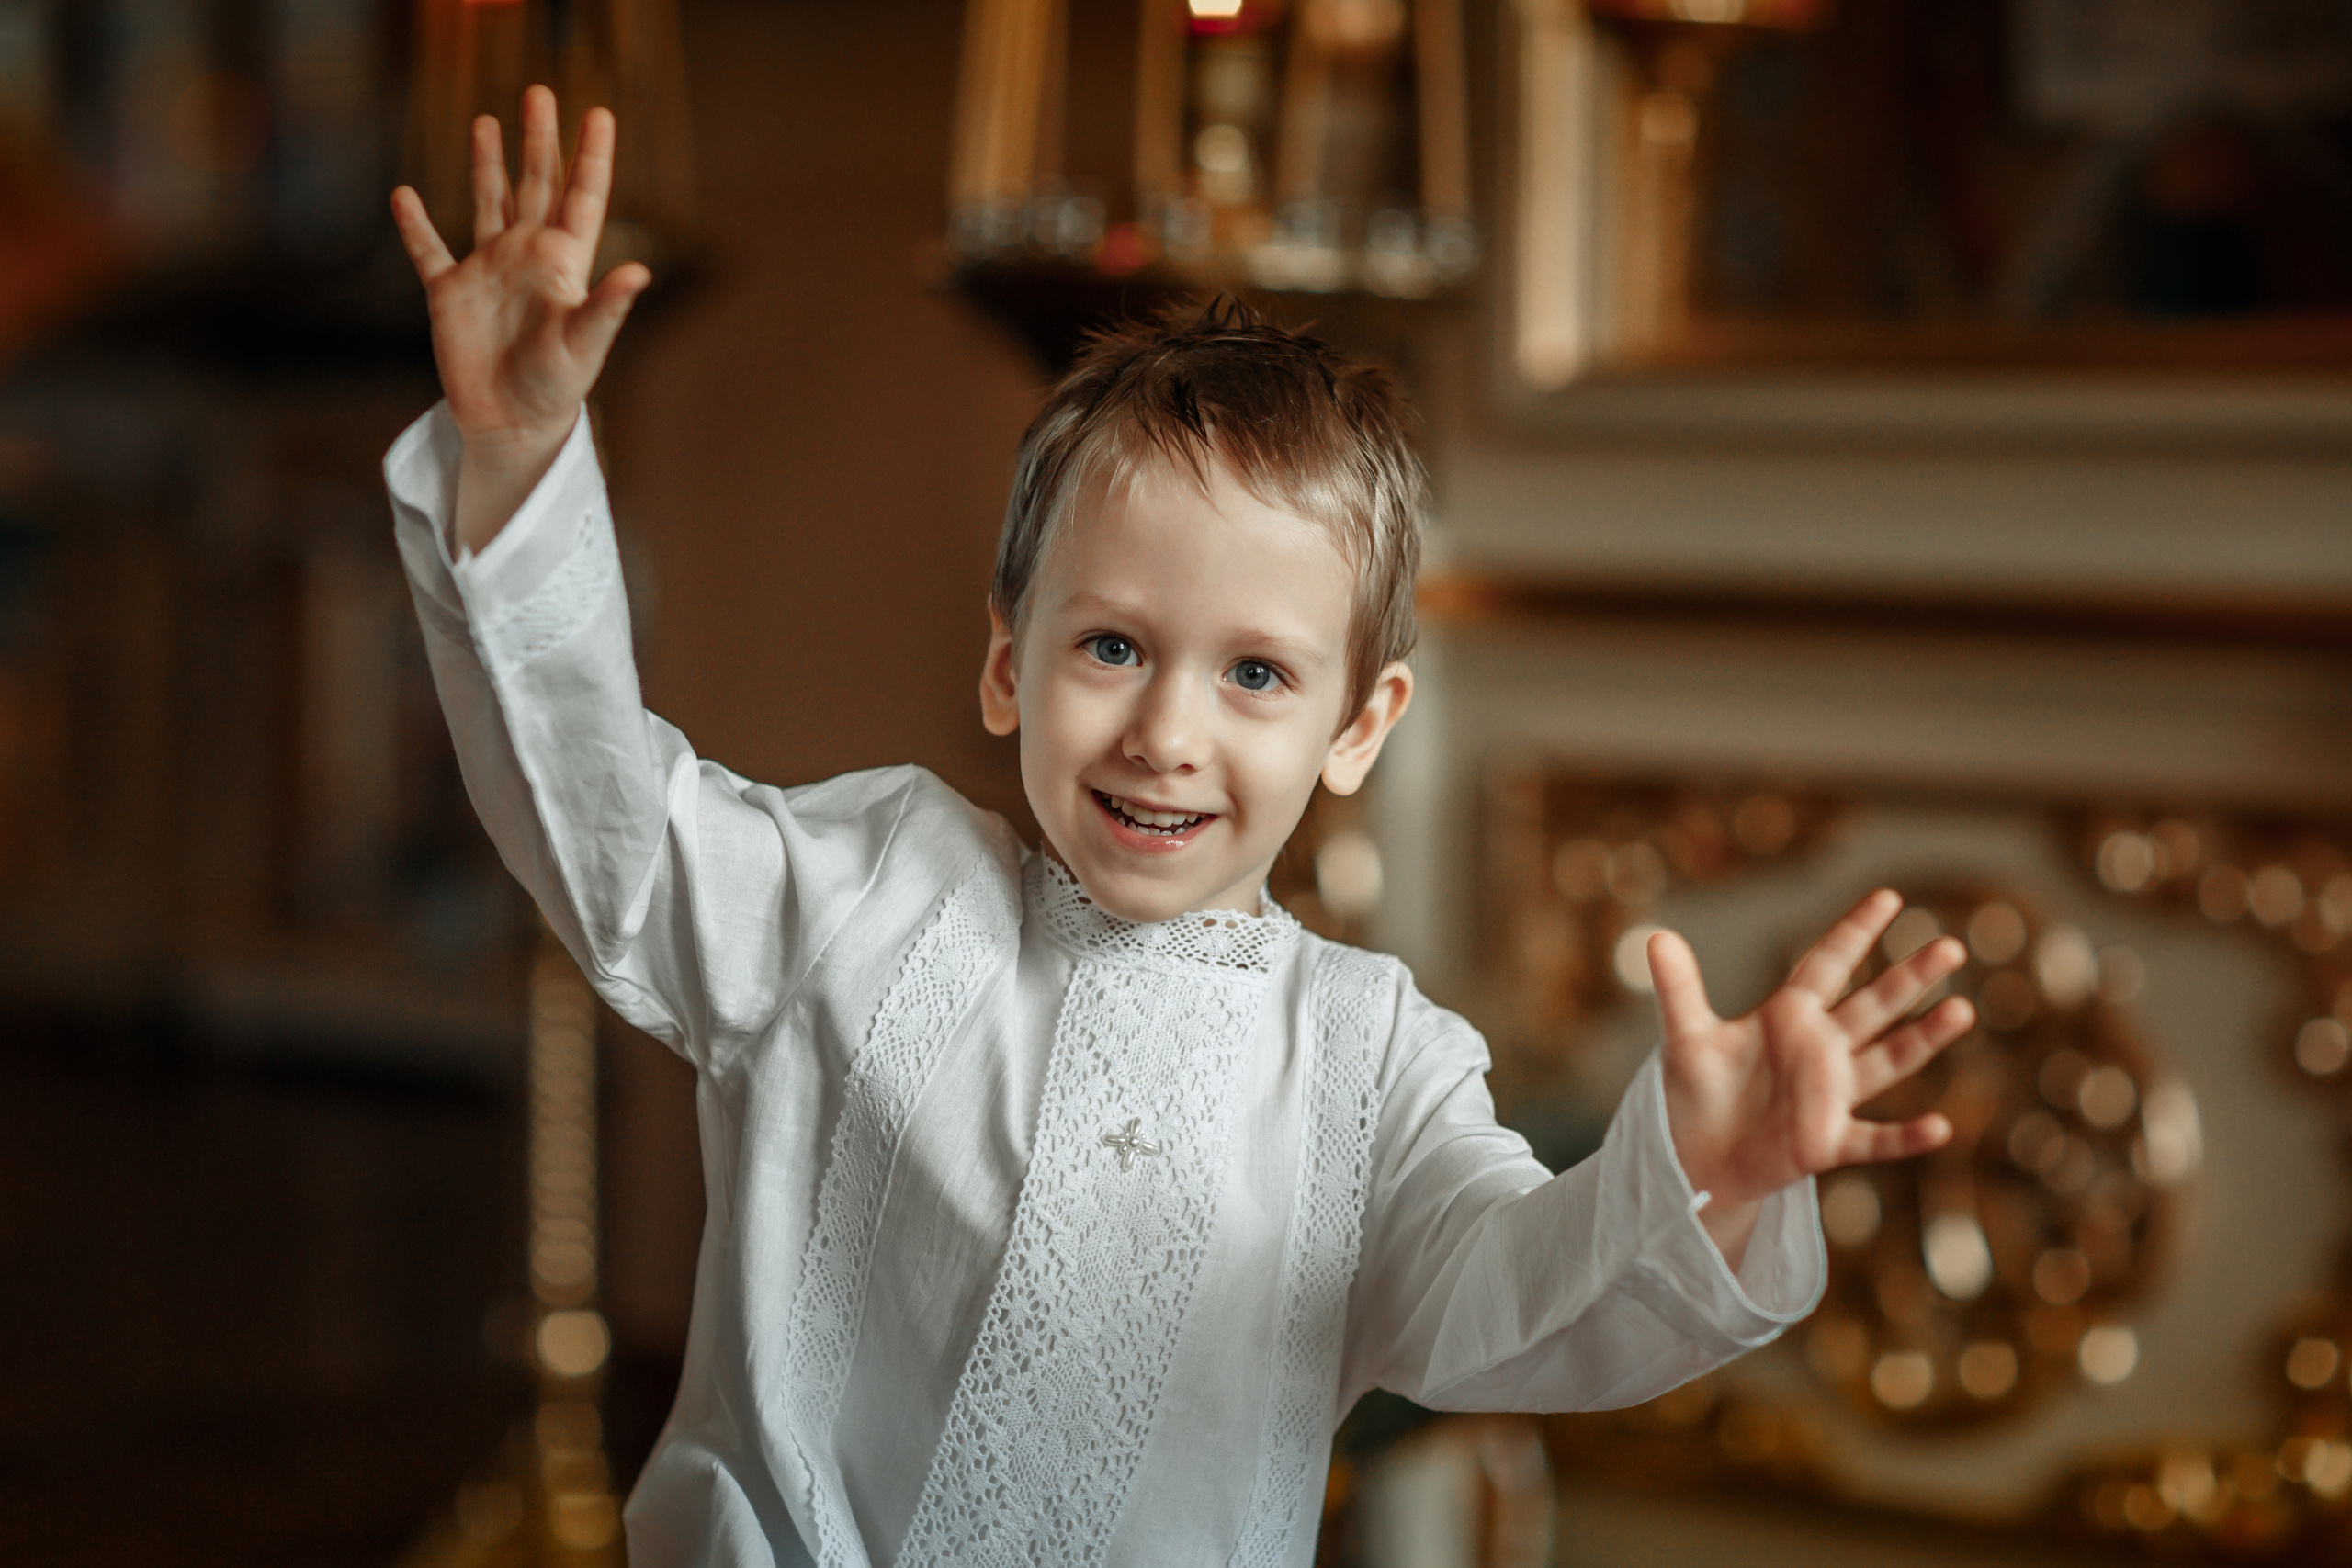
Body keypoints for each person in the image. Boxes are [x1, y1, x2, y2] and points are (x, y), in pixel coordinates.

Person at [385, 87, 1972, 1568]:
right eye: (1113, 646)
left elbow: (1511, 1300)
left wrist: (1706, 1176)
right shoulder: (865, 898)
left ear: (1360, 727)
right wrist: (522, 461)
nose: (1165, 732)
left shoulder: (1368, 1067)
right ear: (1010, 663)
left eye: (1258, 674)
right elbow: (609, 829)